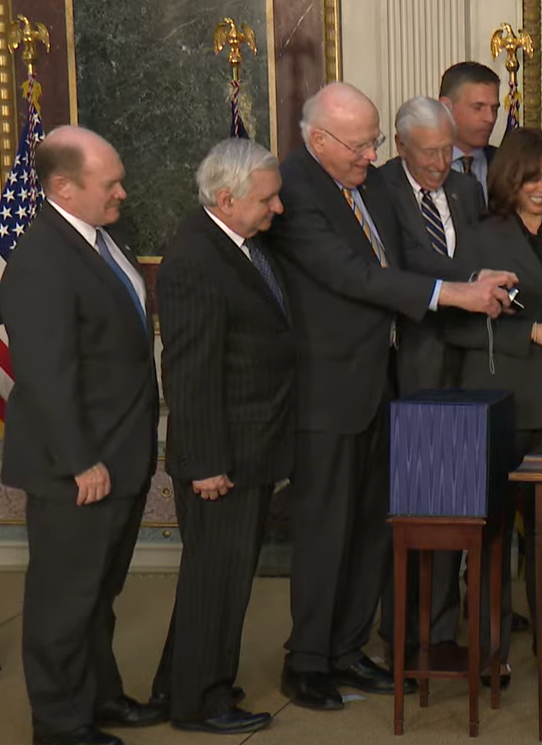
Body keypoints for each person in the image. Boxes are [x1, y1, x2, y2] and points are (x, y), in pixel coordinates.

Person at [268, 81, 516, 712]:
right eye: (359, 145)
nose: (370, 155)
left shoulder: (363, 184)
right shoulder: (295, 189)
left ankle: (350, 650)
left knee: (371, 529)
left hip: (380, 382)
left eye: (374, 141)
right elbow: (351, 275)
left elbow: (406, 258)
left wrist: (471, 277)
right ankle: (308, 662)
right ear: (319, 140)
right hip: (327, 392)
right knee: (326, 532)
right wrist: (455, 296)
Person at [1, 126, 163, 745]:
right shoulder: (40, 260)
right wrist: (80, 460)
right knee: (62, 603)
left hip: (120, 454)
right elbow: (45, 374)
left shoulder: (101, 236)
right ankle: (60, 725)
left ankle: (100, 698)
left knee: (98, 592)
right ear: (64, 188)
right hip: (77, 467)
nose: (123, 192)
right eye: (110, 183)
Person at [446, 126, 542, 683]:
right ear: (509, 178)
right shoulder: (478, 237)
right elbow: (455, 327)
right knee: (491, 533)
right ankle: (492, 651)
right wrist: (532, 332)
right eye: (532, 178)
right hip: (498, 401)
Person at [147, 138, 293, 735]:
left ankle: (177, 685)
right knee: (218, 582)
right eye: (267, 198)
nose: (278, 208)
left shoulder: (237, 244)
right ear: (227, 199)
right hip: (221, 457)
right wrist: (206, 462)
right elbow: (190, 371)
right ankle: (201, 702)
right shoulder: (197, 259)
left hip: (247, 447)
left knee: (214, 578)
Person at [377, 95, 489, 661]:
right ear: (400, 146)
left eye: (448, 150)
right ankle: (400, 632)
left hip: (466, 364)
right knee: (412, 505)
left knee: (456, 498)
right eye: (429, 153)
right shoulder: (378, 190)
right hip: (411, 365)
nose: (441, 163)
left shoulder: (468, 189)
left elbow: (482, 247)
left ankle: (441, 632)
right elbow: (403, 267)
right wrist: (473, 280)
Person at [438, 61, 501, 200]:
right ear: (446, 107)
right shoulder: (418, 167)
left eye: (494, 109)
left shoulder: (506, 164)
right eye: (478, 108)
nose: (490, 118)